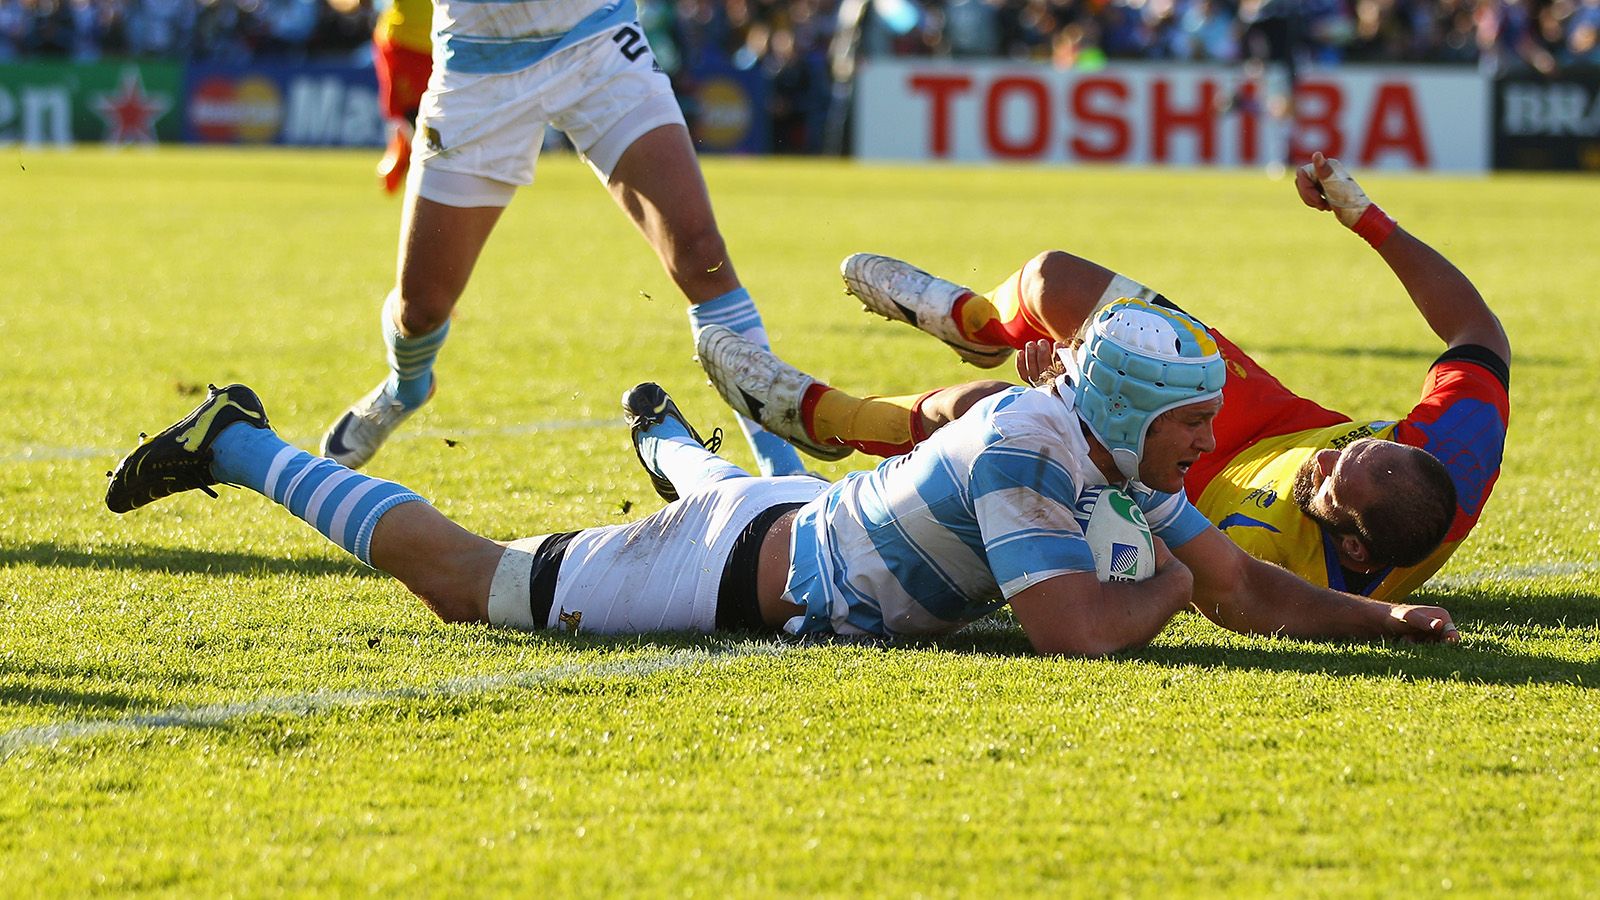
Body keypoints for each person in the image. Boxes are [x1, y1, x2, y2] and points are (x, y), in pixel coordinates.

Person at [104, 301, 1458, 655]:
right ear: (1130, 411)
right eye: (1192, 425)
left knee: (709, 483)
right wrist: (1167, 573)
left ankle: (662, 436)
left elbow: (1249, 595)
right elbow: (1079, 635)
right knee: (470, 585)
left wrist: (1382, 616)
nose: (1207, 448)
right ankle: (239, 441)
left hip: (797, 528)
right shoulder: (1033, 448)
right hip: (736, 571)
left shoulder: (1109, 448)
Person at [699, 153, 1509, 603]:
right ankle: (980, 325)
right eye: (1356, 444)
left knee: (997, 415)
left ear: (1353, 547)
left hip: (1178, 478)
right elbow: (1478, 330)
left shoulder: (1267, 570)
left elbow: (1126, 549)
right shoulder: (1453, 456)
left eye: (1331, 481)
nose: (1328, 458)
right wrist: (1366, 217)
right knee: (1054, 281)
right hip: (1263, 412)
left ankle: (828, 420)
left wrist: (1070, 399)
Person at [320, 0, 806, 478]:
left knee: (702, 255)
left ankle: (786, 475)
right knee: (421, 311)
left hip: (597, 40)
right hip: (479, 64)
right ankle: (406, 386)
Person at [370, 0, 432, 194]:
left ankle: (409, 147)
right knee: (411, 117)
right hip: (403, 43)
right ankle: (402, 142)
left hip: (445, 46)